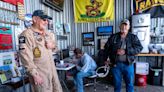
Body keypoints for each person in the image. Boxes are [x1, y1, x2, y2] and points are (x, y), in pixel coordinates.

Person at [19, 10, 63, 92]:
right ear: (35, 19)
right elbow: (25, 57)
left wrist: (52, 45)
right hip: (40, 74)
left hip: (52, 71)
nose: (46, 22)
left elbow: (56, 48)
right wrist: (35, 75)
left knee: (57, 89)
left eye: (47, 20)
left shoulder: (47, 34)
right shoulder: (26, 35)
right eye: (44, 19)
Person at [104, 19, 143, 92]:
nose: (124, 27)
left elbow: (139, 48)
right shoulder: (113, 37)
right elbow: (106, 48)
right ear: (119, 26)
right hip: (116, 65)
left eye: (126, 25)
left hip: (128, 64)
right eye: (122, 25)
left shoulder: (133, 37)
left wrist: (126, 51)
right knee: (117, 84)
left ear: (129, 27)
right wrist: (105, 59)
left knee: (130, 84)